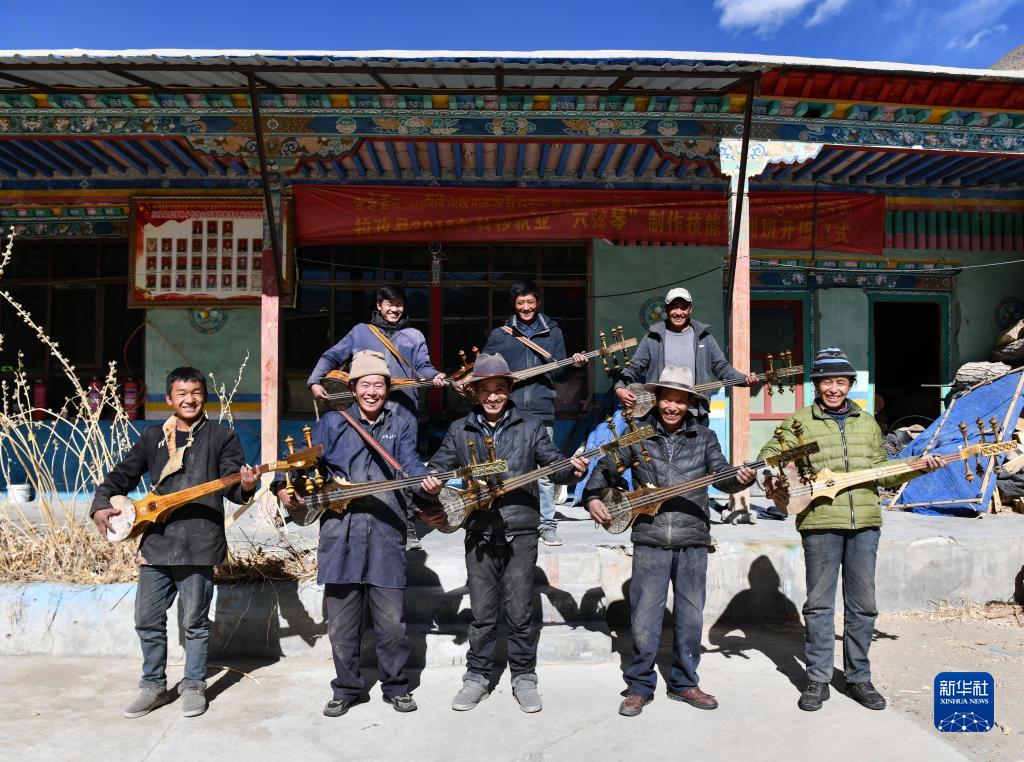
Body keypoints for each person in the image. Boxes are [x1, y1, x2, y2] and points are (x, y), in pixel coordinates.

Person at [758, 348, 943, 713]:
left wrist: (918, 467)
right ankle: (817, 678)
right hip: (820, 522)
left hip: (865, 524)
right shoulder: (800, 422)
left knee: (863, 606)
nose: (834, 388)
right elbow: (770, 455)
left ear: (849, 385)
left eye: (841, 381)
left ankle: (858, 678)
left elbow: (882, 472)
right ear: (816, 385)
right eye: (827, 381)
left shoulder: (866, 423)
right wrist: (774, 478)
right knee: (819, 605)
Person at [279, 351, 444, 718]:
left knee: (391, 623)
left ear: (387, 388)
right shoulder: (330, 424)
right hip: (341, 535)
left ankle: (396, 686)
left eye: (379, 385)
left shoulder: (399, 423)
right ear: (353, 388)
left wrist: (426, 483)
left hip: (386, 530)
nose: (372, 392)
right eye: (365, 384)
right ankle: (347, 689)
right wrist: (283, 488)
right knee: (342, 624)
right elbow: (296, 464)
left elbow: (409, 463)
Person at [585, 365, 755, 717]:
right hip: (650, 538)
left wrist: (741, 479)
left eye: (680, 400)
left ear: (689, 404)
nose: (673, 407)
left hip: (693, 538)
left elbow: (722, 476)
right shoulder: (637, 435)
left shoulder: (705, 437)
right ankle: (639, 686)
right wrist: (592, 497)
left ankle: (684, 682)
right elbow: (604, 468)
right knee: (644, 618)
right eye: (667, 399)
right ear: (657, 400)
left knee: (690, 618)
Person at [422, 353, 588, 714]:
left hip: (520, 531)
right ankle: (477, 677)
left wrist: (572, 470)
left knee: (519, 610)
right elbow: (439, 466)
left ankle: (524, 677)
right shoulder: (460, 429)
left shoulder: (530, 426)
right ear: (475, 392)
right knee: (482, 612)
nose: (493, 396)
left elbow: (553, 464)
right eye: (485, 389)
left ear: (509, 390)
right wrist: (432, 483)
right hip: (479, 531)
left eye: (499, 389)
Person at [91, 367, 259, 719]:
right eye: (182, 393)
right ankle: (153, 685)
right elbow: (122, 475)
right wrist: (101, 502)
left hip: (200, 543)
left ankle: (194, 684)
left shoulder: (222, 437)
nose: (189, 399)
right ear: (169, 398)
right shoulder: (153, 436)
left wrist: (246, 485)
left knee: (195, 623)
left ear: (204, 397)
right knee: (146, 619)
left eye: (196, 392)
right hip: (157, 542)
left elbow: (232, 490)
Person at [308, 285, 445, 549]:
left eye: (399, 304)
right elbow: (332, 356)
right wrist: (315, 380)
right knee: (364, 463)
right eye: (390, 304)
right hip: (364, 412)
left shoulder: (414, 336)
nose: (395, 309)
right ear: (379, 305)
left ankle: (406, 524)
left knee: (403, 465)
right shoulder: (361, 332)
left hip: (403, 412)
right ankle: (357, 520)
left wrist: (435, 376)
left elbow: (423, 367)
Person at [481, 280, 586, 547]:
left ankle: (547, 524)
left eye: (530, 302)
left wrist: (573, 365)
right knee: (505, 467)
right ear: (514, 304)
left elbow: (558, 373)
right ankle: (505, 520)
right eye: (521, 303)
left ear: (537, 302)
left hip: (541, 408)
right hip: (509, 409)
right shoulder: (501, 335)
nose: (526, 307)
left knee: (545, 471)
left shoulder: (553, 332)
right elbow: (484, 370)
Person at [614, 287, 758, 425]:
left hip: (695, 413)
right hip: (659, 413)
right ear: (667, 309)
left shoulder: (704, 338)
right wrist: (620, 388)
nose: (679, 312)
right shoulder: (653, 338)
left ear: (690, 309)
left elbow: (721, 366)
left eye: (683, 307)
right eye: (674, 307)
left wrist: (743, 379)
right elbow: (634, 367)